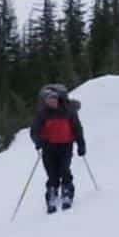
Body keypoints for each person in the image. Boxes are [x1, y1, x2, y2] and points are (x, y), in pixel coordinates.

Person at [30, 84, 86, 213]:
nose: (52, 101)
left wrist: (81, 144)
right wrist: (38, 141)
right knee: (51, 172)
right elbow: (35, 131)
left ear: (59, 98)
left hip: (66, 145)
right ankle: (52, 193)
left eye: (54, 98)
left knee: (64, 169)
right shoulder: (42, 114)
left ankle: (67, 190)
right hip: (48, 146)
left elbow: (77, 129)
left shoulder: (68, 111)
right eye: (49, 99)